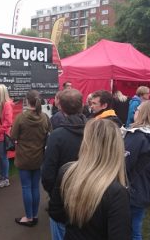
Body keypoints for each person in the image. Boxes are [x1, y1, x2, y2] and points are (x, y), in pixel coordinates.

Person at [48, 119, 131, 239]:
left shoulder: (67, 171)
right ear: (117, 147)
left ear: (86, 143)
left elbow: (56, 213)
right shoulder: (117, 192)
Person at [42, 89, 87, 240]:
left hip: (63, 198)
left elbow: (48, 173)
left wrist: (54, 193)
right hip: (87, 194)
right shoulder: (92, 130)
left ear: (60, 106)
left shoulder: (57, 135)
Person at [124, 100, 150, 240]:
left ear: (143, 114)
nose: (135, 112)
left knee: (127, 229)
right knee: (135, 225)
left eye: (138, 110)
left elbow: (125, 164)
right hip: (146, 186)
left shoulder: (137, 136)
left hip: (131, 188)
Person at [12, 90, 52, 226]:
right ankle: (33, 216)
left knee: (26, 187)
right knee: (35, 187)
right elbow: (49, 133)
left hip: (24, 158)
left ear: (27, 100)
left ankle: (29, 218)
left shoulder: (21, 118)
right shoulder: (45, 117)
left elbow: (13, 136)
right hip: (39, 157)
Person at [0, 84, 13, 188]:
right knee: (1, 156)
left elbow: (8, 122)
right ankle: (2, 177)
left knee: (3, 156)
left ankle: (5, 178)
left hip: (2, 135)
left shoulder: (6, 104)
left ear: (0, 93)